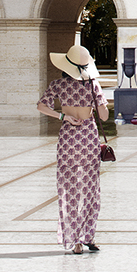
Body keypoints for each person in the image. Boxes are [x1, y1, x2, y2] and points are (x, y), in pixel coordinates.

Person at [40, 41, 108, 252]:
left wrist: (63, 116)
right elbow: (104, 117)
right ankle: (88, 236)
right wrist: (98, 102)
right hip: (88, 138)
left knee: (69, 190)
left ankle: (74, 240)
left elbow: (41, 106)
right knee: (90, 189)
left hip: (68, 140)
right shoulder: (92, 85)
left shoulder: (57, 85)